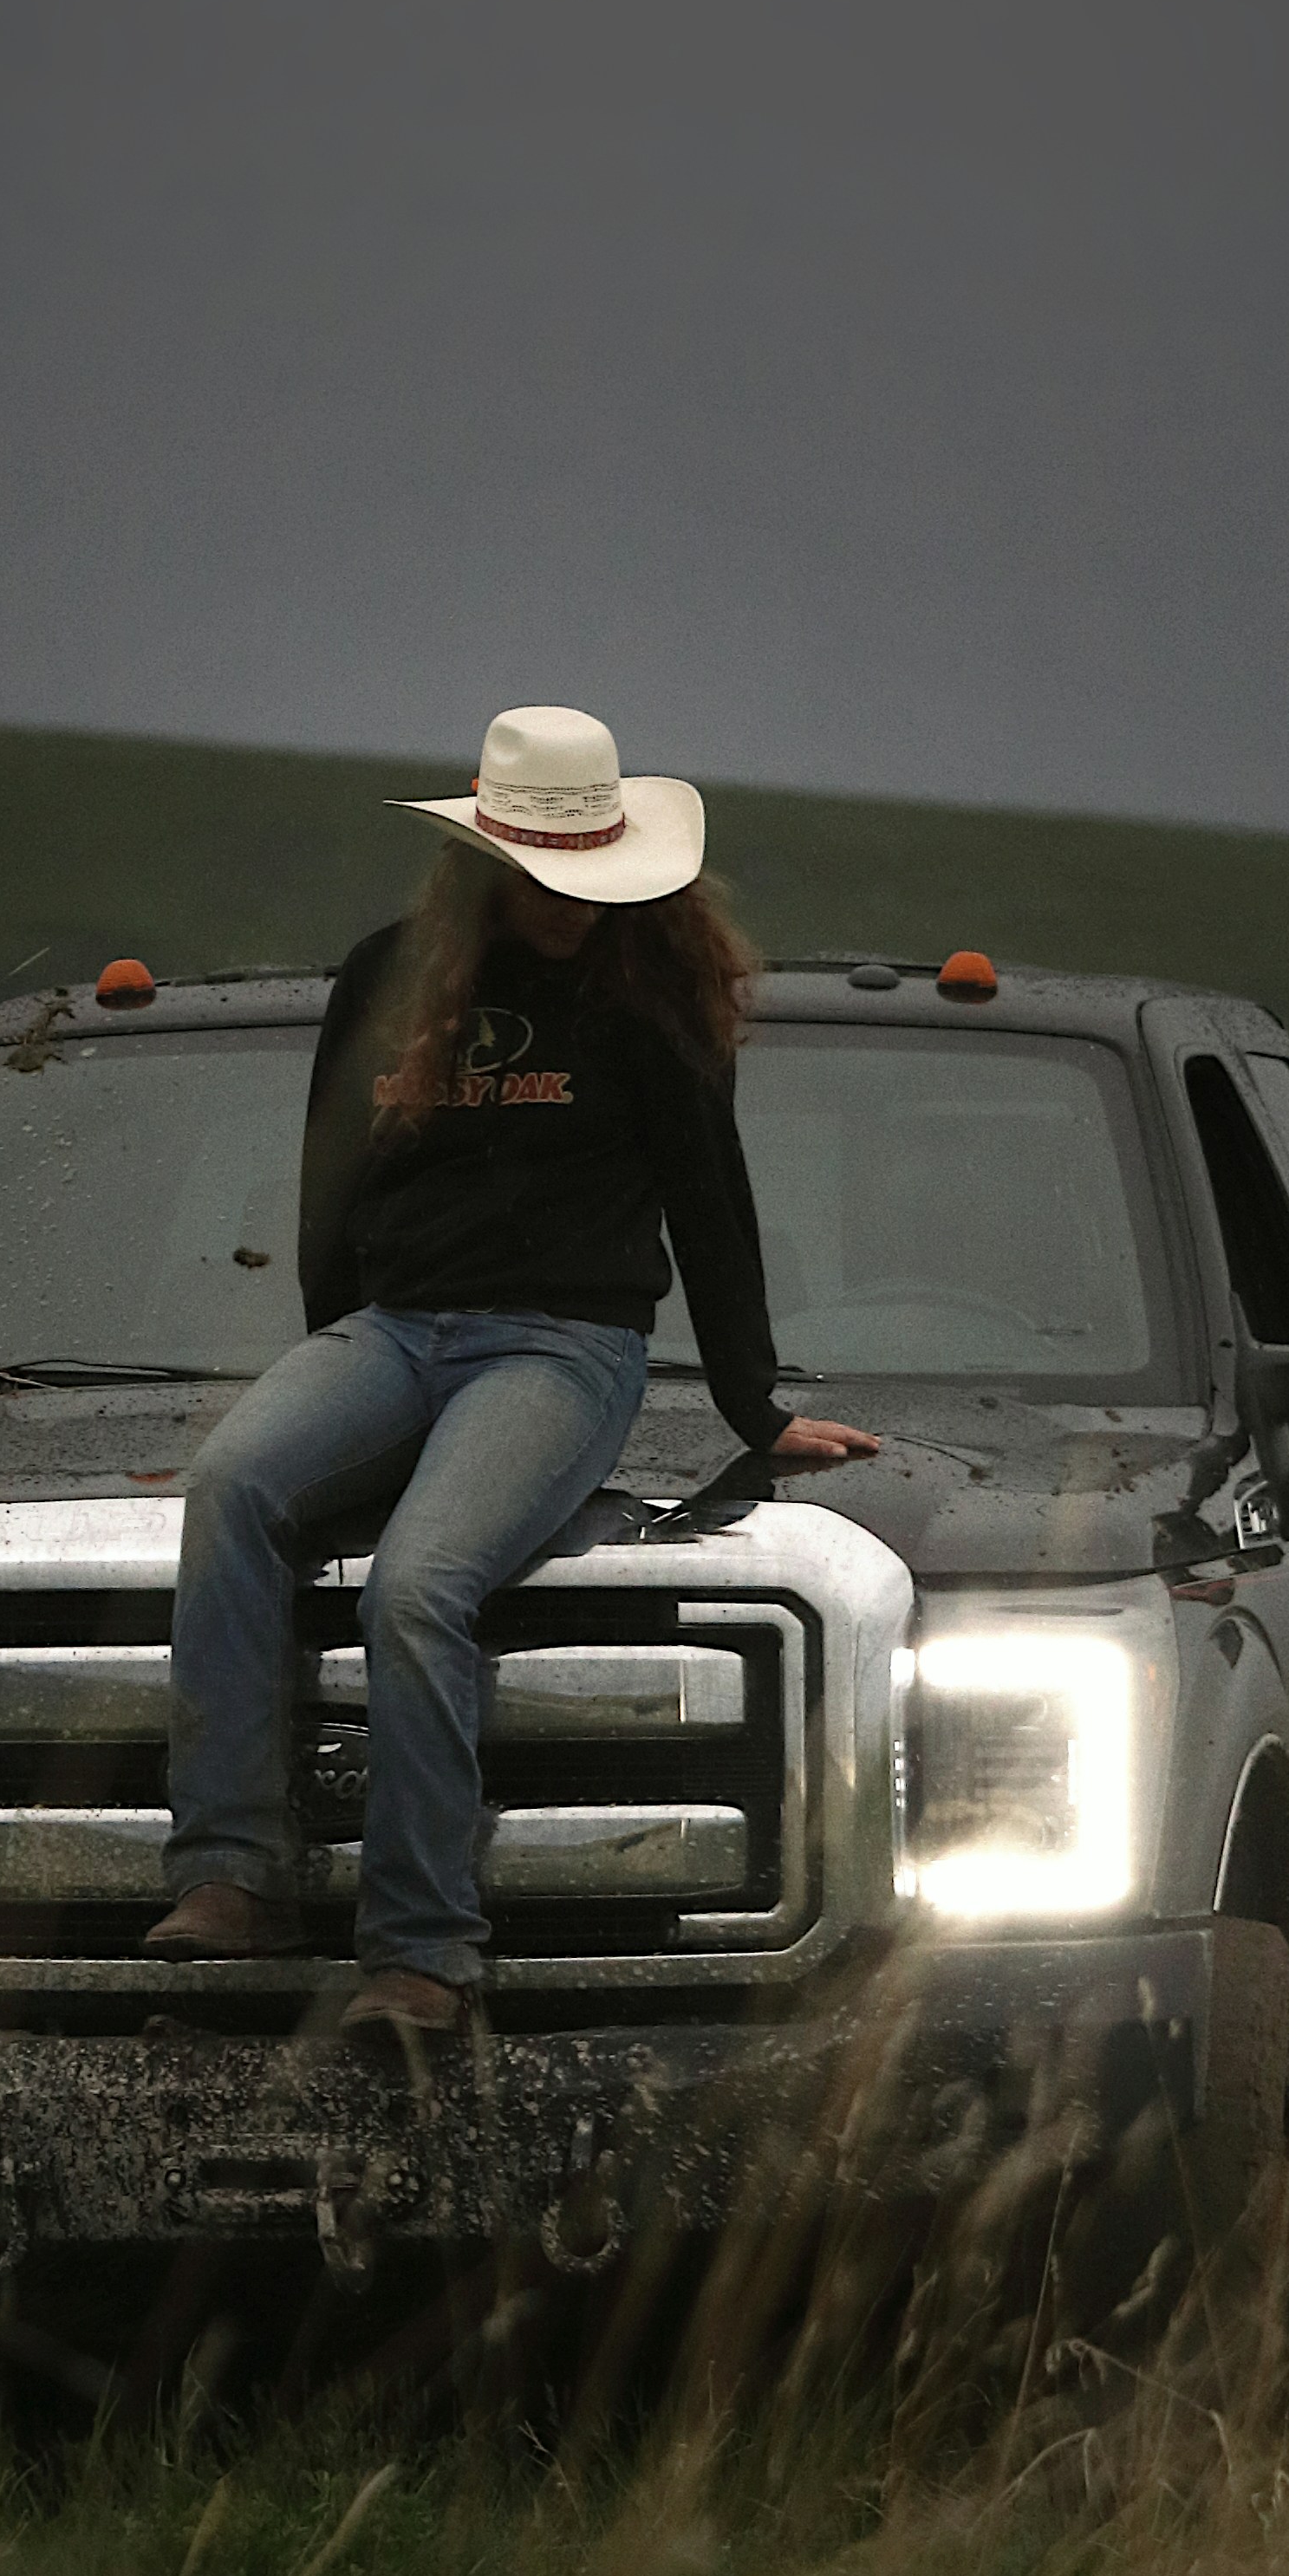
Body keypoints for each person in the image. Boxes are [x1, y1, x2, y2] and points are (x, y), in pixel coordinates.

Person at [150, 703, 877, 2036]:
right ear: (490, 861)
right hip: (390, 1335)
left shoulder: (648, 1000)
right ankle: (230, 1876)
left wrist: (755, 1408)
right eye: (550, 878)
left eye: (595, 879)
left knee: (421, 1583)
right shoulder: (388, 977)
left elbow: (710, 1202)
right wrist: (326, 1366)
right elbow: (333, 1188)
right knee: (232, 1488)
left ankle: (420, 1952)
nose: (575, 908)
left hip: (563, 1345)